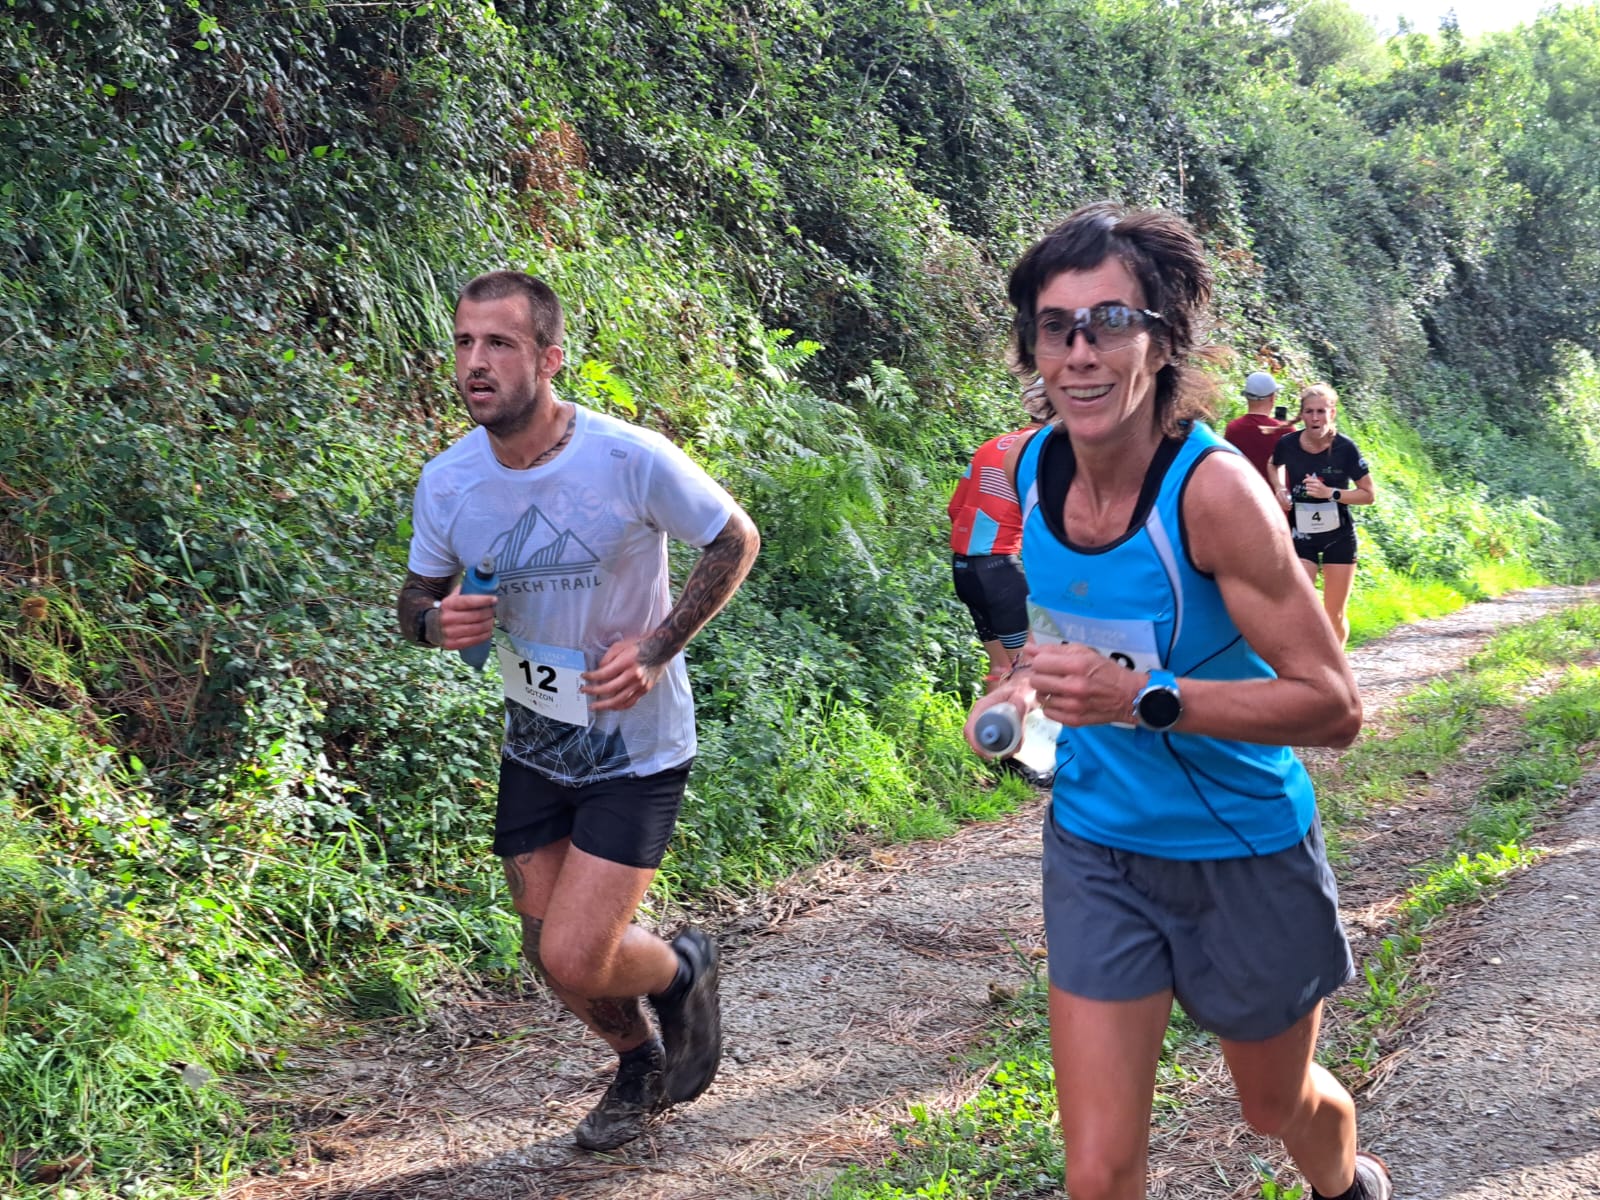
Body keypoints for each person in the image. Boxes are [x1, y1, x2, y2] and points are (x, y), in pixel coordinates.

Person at [965, 203, 1389, 1200]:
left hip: (1239, 847)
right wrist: (1024, 679)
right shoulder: (1028, 467)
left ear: (1161, 340)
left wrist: (1142, 699)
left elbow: (1333, 708)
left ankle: (1347, 1184)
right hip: (1098, 843)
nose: (1078, 352)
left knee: (1272, 1110)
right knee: (1099, 1170)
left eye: (1109, 322)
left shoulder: (1214, 494)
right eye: (1054, 326)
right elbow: (1066, 632)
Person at [396, 270, 760, 1152]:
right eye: (463, 343)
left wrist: (656, 647)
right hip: (534, 742)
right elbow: (413, 600)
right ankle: (635, 1062)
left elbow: (734, 538)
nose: (475, 363)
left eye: (500, 344)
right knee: (546, 951)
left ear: (549, 358)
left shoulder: (626, 458)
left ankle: (681, 970)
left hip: (635, 747)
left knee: (572, 952)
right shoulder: (448, 482)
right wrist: (436, 623)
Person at [948, 379, 1050, 688]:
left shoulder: (991, 446)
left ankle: (986, 737)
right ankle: (1020, 737)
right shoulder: (1043, 451)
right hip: (999, 572)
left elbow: (955, 508)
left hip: (964, 570)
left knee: (1000, 668)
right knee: (1027, 675)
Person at [1270, 383, 1375, 647]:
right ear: (1302, 414)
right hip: (1302, 534)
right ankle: (1309, 664)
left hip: (1338, 537)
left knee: (1333, 613)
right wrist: (1280, 488)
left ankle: (1337, 663)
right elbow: (1274, 465)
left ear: (1332, 413)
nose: (1315, 418)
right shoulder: (1288, 443)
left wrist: (1331, 493)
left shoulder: (1345, 449)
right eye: (1308, 411)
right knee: (1302, 605)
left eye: (1320, 411)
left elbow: (1368, 494)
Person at [1224, 370, 1296, 484]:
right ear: (1272, 398)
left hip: (1242, 496)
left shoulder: (1232, 429)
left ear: (1247, 397)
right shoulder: (1285, 431)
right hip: (1276, 499)